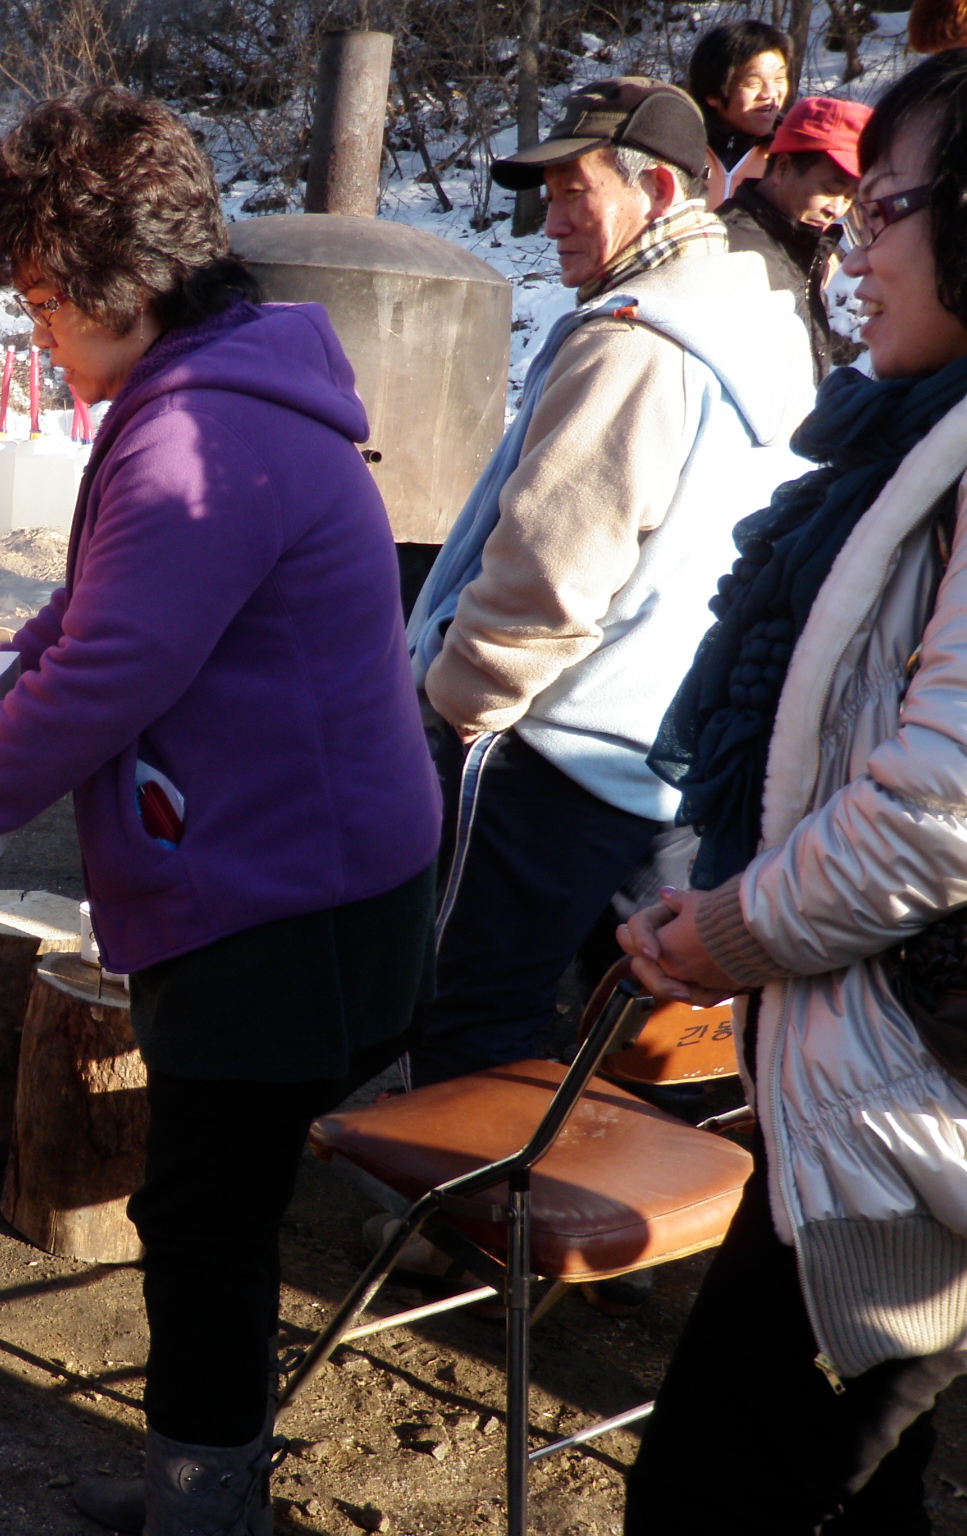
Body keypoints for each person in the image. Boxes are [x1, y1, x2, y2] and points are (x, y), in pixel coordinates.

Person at [0, 87, 442, 1536]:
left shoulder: (197, 436)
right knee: (212, 1204)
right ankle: (208, 1476)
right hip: (312, 875)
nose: (41, 336)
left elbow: (112, 673)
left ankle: (203, 1504)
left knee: (204, 1220)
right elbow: (96, 615)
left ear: (121, 283)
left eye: (42, 302)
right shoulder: (226, 386)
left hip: (281, 907)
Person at [625, 50, 967, 1534]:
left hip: (916, 1099)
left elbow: (935, 811)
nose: (853, 247)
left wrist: (730, 931)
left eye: (885, 208)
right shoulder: (912, 440)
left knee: (718, 1499)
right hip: (873, 1076)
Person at [404, 79, 811, 1089]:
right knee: (646, 1032)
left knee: (472, 1010)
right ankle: (598, 1177)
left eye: (572, 192)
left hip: (557, 747)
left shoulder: (633, 342)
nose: (549, 221)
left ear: (658, 189)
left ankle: (462, 1195)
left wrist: (458, 703)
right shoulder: (760, 319)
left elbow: (547, 571)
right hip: (678, 753)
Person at [719, 95, 870, 380]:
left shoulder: (805, 253)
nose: (836, 210)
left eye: (850, 198)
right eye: (831, 189)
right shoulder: (726, 248)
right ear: (783, 167)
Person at [687, 19, 793, 205]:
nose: (770, 94)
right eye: (753, 83)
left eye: (779, 79)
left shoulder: (788, 158)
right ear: (712, 94)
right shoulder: (676, 146)